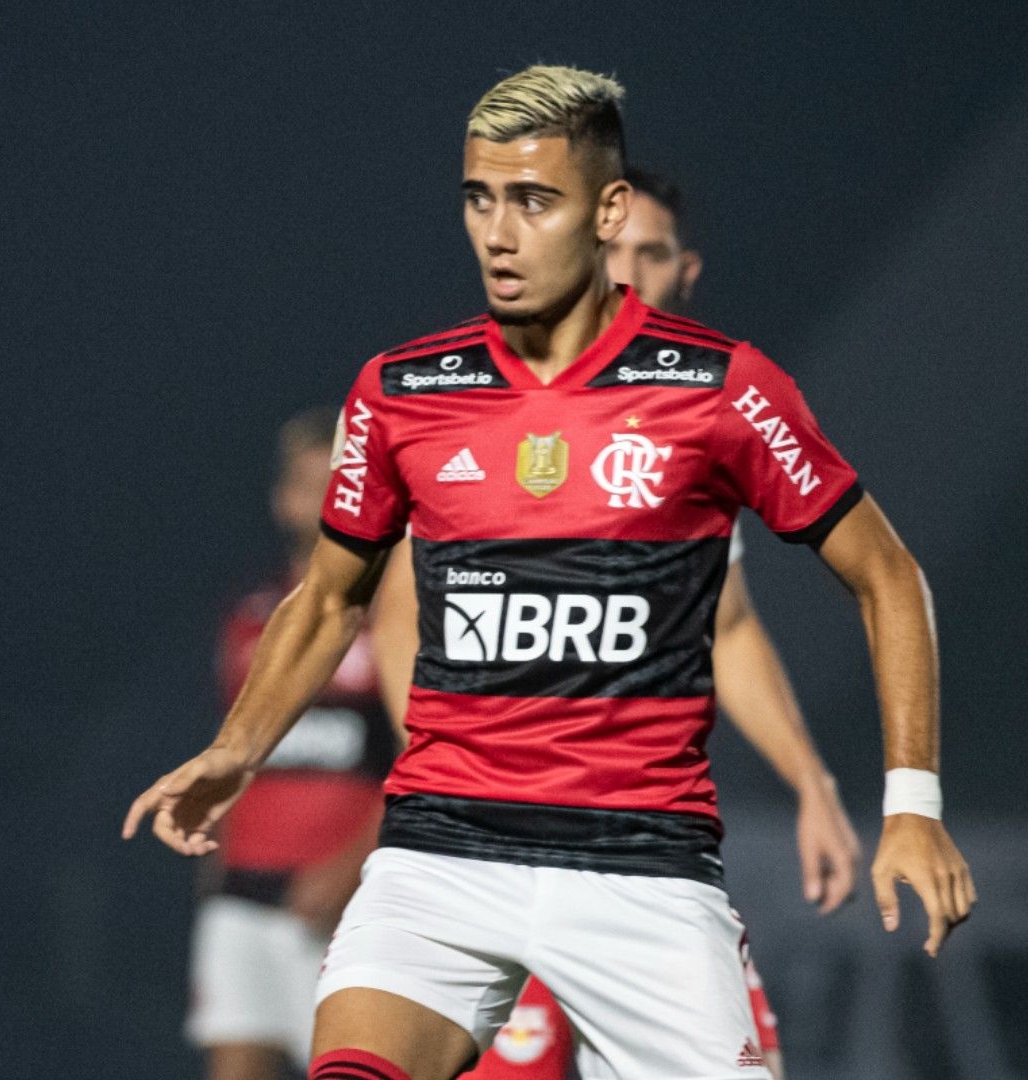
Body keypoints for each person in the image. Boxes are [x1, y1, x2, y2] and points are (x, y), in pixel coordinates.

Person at [125, 65, 974, 1080]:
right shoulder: (404, 391)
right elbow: (330, 598)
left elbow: (886, 576)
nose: (498, 232)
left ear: (607, 210)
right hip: (440, 857)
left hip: (641, 874)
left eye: (533, 200)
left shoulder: (717, 388)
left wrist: (912, 804)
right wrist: (237, 748)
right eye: (480, 199)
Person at [421, 163, 849, 1079]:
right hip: (496, 846)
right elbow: (390, 618)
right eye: (612, 250)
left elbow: (727, 627)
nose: (628, 273)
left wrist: (810, 779)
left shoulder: (686, 418)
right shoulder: (475, 397)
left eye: (650, 256)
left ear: (685, 273)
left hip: (639, 858)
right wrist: (446, 805)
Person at [189, 409, 400, 1080]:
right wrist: (213, 864)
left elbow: (421, 755)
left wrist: (351, 866)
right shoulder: (249, 612)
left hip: (344, 897)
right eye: (310, 484)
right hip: (245, 897)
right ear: (283, 498)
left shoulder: (397, 607)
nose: (325, 498)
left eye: (340, 481)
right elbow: (234, 746)